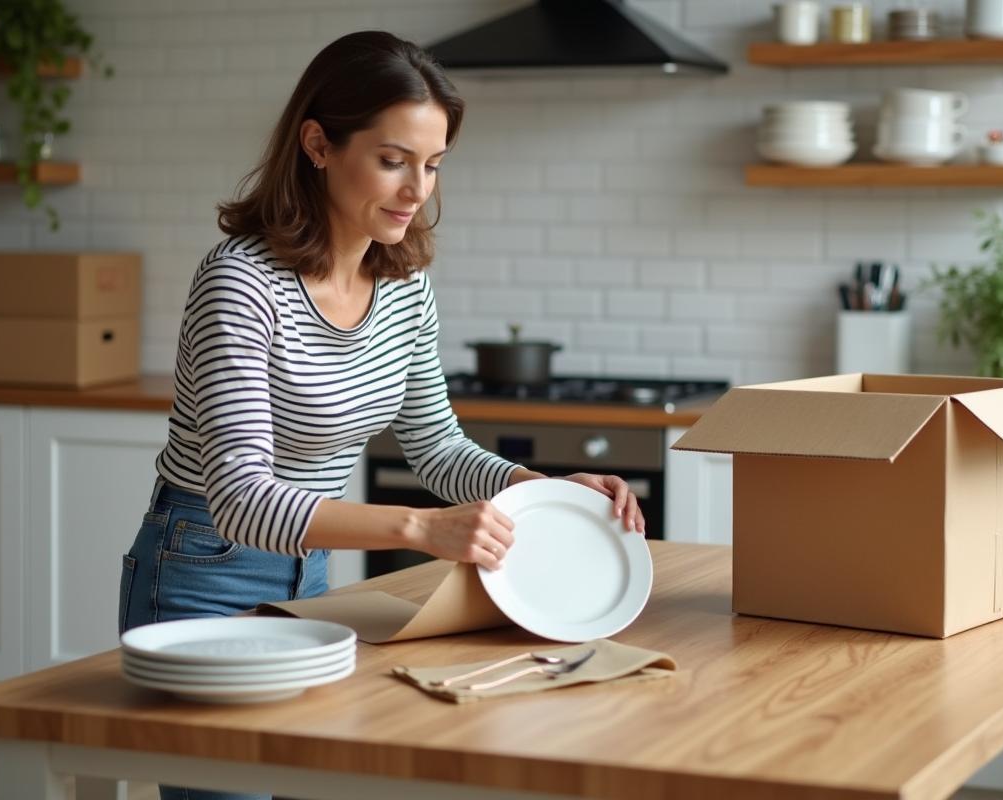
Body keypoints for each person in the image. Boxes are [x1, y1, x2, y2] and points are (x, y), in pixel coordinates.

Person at [118, 29, 643, 800]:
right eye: (394, 160)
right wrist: (420, 529)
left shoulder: (403, 286)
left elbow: (436, 448)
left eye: (431, 166)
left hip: (317, 574)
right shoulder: (240, 283)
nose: (417, 189)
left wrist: (549, 490)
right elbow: (239, 500)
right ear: (318, 144)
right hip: (201, 568)